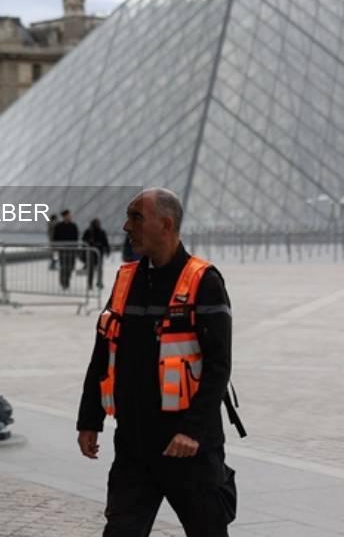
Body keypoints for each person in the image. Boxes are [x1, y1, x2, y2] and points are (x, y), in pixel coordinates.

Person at [78, 188, 243, 537]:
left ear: (165, 224)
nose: (126, 226)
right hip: (135, 444)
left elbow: (218, 366)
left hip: (188, 449)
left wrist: (192, 431)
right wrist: (90, 418)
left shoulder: (204, 282)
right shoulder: (126, 280)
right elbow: (103, 351)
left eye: (136, 217)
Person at [53, 209, 80, 289]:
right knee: (63, 266)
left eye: (69, 215)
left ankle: (66, 280)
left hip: (71, 250)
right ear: (64, 216)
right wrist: (56, 247)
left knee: (70, 266)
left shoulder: (73, 226)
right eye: (68, 215)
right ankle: (64, 282)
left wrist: (76, 247)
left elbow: (76, 238)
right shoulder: (59, 226)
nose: (69, 217)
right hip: (62, 250)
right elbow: (55, 237)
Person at [82, 218, 111, 289]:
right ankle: (90, 283)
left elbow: (105, 242)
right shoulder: (89, 232)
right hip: (91, 252)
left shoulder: (101, 232)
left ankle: (99, 282)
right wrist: (90, 242)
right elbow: (84, 241)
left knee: (99, 269)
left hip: (99, 253)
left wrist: (107, 250)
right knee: (91, 269)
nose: (97, 225)